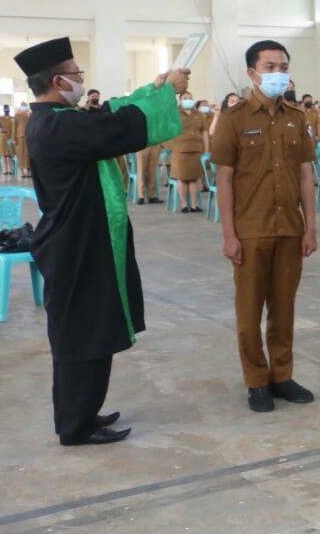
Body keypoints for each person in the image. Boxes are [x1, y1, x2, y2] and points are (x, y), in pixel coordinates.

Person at [18, 37, 187, 446]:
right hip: (77, 246)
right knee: (81, 335)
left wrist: (152, 89)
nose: (81, 80)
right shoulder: (57, 125)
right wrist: (166, 94)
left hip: (82, 241)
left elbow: (108, 114)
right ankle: (76, 425)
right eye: (77, 74)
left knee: (90, 329)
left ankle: (84, 411)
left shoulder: (57, 119)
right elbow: (119, 127)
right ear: (58, 80)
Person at [212, 40, 319, 414]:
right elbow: (223, 179)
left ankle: (282, 375)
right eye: (270, 67)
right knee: (249, 311)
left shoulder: (297, 117)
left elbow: (306, 174)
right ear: (252, 73)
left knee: (284, 308)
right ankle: (256, 380)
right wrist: (229, 234)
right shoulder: (234, 119)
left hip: (289, 227)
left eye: (283, 66)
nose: (279, 74)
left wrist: (310, 227)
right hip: (251, 229)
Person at [170, 92, 208, 213]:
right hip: (180, 150)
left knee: (194, 178)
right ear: (180, 101)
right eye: (185, 98)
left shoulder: (199, 114)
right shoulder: (174, 114)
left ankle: (194, 205)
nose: (188, 100)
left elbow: (205, 132)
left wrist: (206, 149)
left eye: (190, 98)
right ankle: (184, 205)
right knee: (181, 178)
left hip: (196, 149)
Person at [14, 102, 32, 177]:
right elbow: (14, 127)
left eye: (25, 106)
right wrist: (13, 138)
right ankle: (22, 171)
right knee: (21, 154)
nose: (24, 107)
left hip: (29, 135)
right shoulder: (17, 115)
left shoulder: (29, 114)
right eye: (22, 106)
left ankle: (28, 170)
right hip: (20, 136)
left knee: (28, 154)